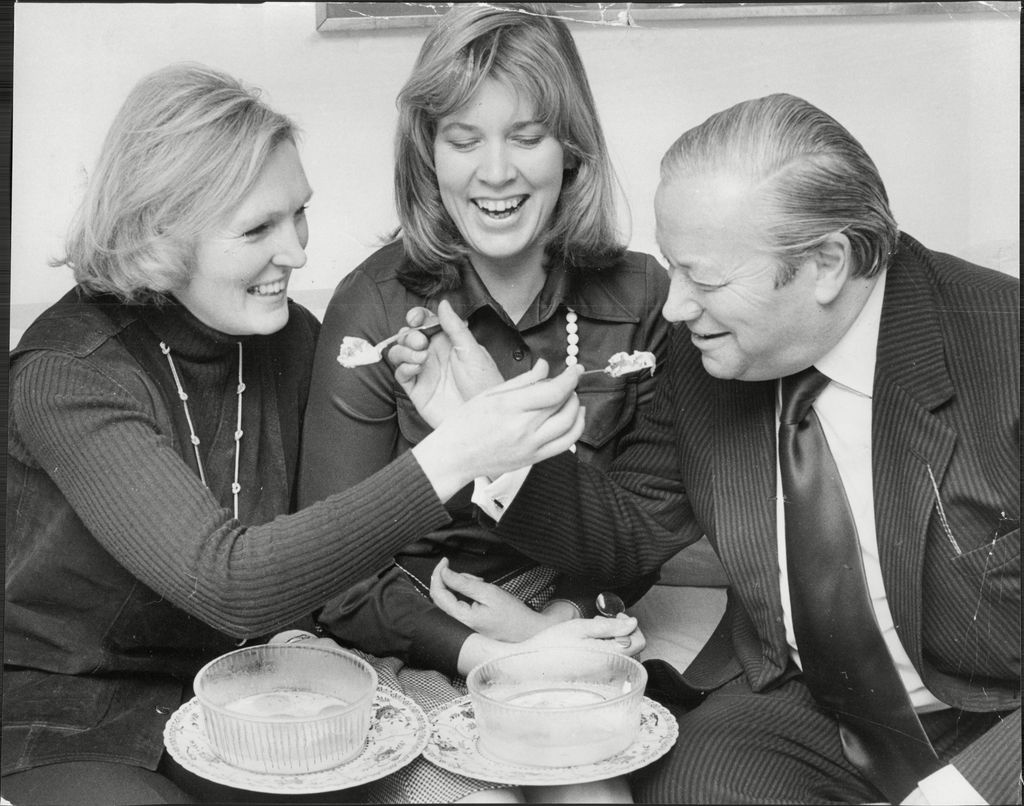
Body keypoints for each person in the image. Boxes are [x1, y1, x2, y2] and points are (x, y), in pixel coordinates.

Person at [2, 62, 628, 806]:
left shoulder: (290, 335)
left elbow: (349, 559)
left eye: (298, 213)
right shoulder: (66, 373)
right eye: (258, 228)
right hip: (80, 714)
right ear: (159, 233)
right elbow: (234, 587)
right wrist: (454, 451)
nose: (298, 252)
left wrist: (508, 642)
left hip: (269, 695)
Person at [401, 93, 1020, 805]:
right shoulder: (702, 357)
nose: (674, 307)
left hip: (997, 720)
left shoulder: (1006, 346)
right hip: (810, 707)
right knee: (688, 785)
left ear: (826, 262)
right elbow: (626, 536)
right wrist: (492, 437)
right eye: (674, 267)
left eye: (707, 278)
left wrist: (968, 795)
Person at [298, 5, 663, 801]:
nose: (494, 172)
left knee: (595, 795)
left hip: (557, 623)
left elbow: (641, 537)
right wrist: (490, 652)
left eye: (526, 137)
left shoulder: (644, 296)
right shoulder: (374, 306)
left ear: (571, 149)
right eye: (464, 140)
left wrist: (559, 624)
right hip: (410, 638)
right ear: (429, 154)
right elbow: (337, 577)